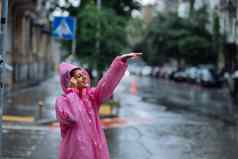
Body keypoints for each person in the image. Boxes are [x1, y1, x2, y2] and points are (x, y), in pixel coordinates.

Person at [55, 52, 142, 159]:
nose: (84, 77)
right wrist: (72, 92)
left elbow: (107, 84)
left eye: (83, 74)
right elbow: (73, 117)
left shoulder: (92, 97)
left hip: (96, 151)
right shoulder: (63, 101)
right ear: (70, 81)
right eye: (79, 76)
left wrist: (120, 63)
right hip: (75, 153)